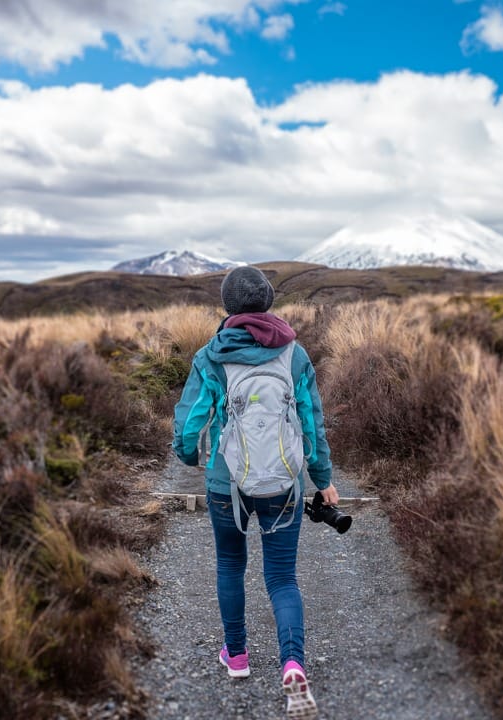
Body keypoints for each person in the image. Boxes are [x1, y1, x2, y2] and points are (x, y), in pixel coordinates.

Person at [172, 265, 336, 719]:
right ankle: (292, 664)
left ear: (228, 306)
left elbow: (189, 426)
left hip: (228, 483)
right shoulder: (295, 354)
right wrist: (323, 480)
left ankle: (238, 657)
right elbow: (311, 424)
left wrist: (191, 460)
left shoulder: (210, 356)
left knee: (230, 564)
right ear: (266, 302)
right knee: (282, 577)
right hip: (284, 482)